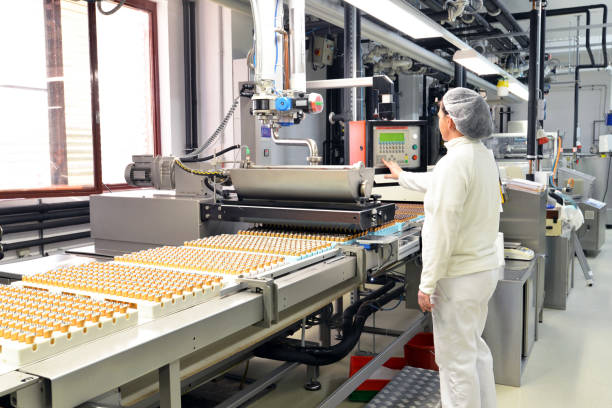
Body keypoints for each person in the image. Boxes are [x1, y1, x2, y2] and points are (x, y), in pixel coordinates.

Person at [383, 87, 500, 408]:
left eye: (439, 115)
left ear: (452, 120)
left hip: (459, 278)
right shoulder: (481, 156)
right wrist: (401, 175)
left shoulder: (454, 162)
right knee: (474, 350)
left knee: (455, 363)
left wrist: (427, 283)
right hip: (483, 270)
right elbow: (438, 185)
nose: (438, 121)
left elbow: (441, 230)